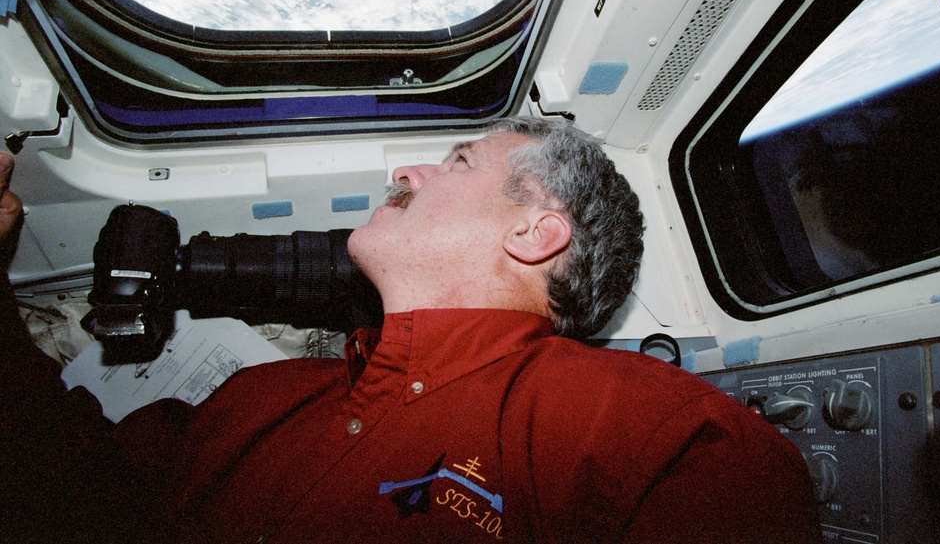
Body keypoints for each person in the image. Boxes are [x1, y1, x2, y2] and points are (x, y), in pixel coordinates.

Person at [0, 117, 819, 543]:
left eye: (458, 161)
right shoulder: (258, 393)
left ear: (536, 234)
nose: (406, 172)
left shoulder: (650, 435)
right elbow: (68, 485)